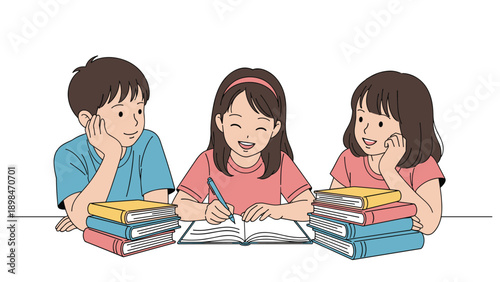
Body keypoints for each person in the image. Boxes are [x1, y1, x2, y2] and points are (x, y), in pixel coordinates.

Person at [173, 68, 314, 224]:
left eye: (260, 127)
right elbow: (178, 206)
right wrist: (205, 211)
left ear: (275, 128)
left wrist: (277, 211)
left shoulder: (281, 162)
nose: (247, 135)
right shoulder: (208, 160)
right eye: (236, 124)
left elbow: (311, 207)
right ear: (220, 122)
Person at [54, 56, 175, 231]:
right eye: (120, 114)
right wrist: (112, 155)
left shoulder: (148, 142)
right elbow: (82, 220)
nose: (135, 122)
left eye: (139, 110)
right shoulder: (69, 155)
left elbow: (157, 212)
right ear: (88, 119)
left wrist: (93, 218)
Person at [330, 71, 445, 235]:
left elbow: (428, 224)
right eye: (361, 118)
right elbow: (333, 211)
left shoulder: (423, 165)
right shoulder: (349, 159)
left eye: (381, 123)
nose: (366, 130)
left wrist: (389, 171)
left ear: (409, 126)